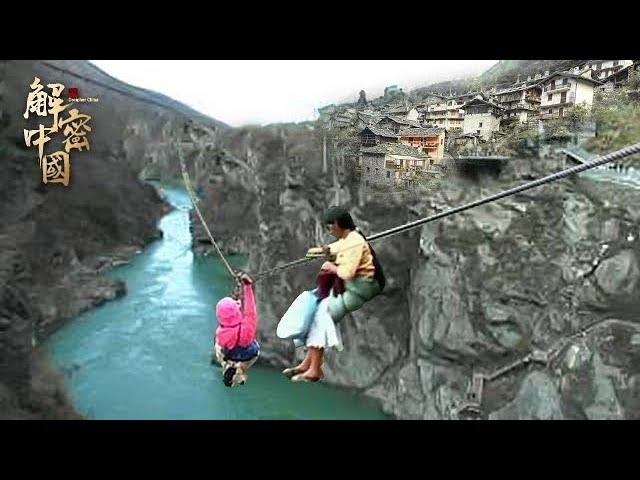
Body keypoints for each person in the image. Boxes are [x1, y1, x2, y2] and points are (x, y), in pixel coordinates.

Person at [280, 206, 385, 382]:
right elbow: (338, 247)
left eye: (330, 227)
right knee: (316, 309)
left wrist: (332, 267)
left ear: (338, 224)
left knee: (322, 317)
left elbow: (347, 273)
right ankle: (308, 364)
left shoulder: (355, 242)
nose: (329, 231)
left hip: (360, 287)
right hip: (355, 285)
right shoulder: (349, 238)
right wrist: (323, 251)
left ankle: (314, 370)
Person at [212, 272, 260, 387]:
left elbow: (227, 317)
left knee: (218, 347)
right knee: (255, 352)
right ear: (237, 310)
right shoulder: (247, 328)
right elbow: (250, 309)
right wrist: (247, 287)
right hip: (248, 353)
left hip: (231, 354)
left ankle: (226, 365)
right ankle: (241, 369)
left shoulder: (220, 332)